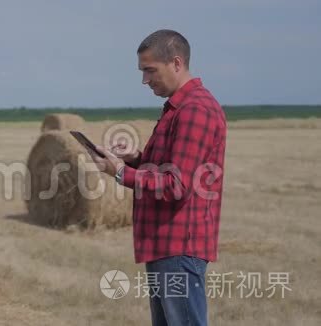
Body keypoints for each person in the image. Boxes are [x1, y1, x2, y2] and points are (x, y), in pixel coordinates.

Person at [89, 29, 227, 326]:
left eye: (150, 70)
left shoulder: (195, 110)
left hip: (179, 247)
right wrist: (136, 160)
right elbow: (172, 169)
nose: (145, 80)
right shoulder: (178, 109)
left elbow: (177, 186)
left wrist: (121, 172)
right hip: (166, 245)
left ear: (176, 63)